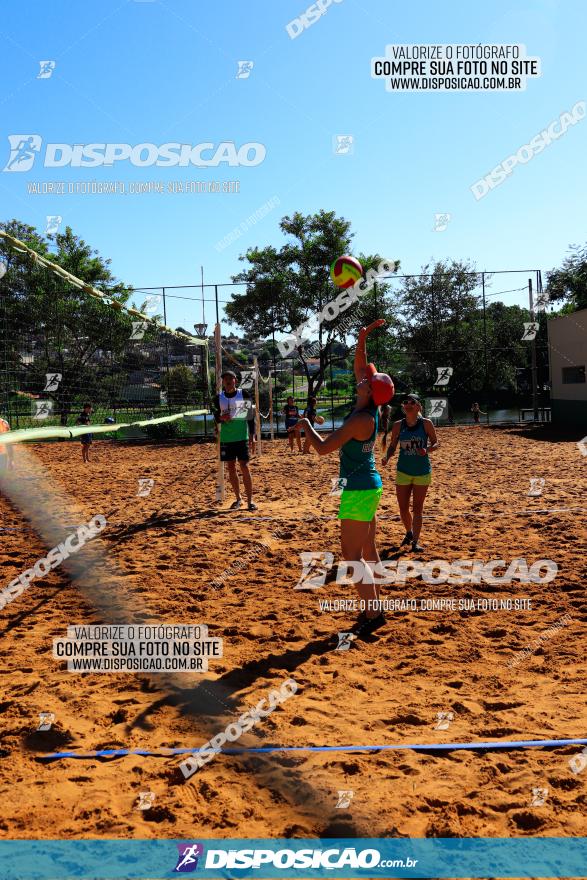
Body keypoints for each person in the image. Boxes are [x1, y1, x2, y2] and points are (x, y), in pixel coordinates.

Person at [288, 320, 394, 634]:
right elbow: (360, 366)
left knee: (351, 555)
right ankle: (374, 605)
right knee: (369, 550)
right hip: (368, 486)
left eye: (367, 379)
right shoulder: (369, 406)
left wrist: (306, 423)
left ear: (370, 390)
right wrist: (362, 338)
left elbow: (322, 449)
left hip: (359, 490)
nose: (362, 377)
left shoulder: (360, 419)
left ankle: (373, 615)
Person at [382, 394, 439, 553]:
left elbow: (436, 443)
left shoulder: (426, 423)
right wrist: (387, 457)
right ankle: (409, 532)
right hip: (403, 471)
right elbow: (393, 445)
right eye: (405, 402)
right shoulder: (398, 425)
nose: (407, 404)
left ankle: (415, 542)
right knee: (403, 507)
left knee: (418, 509)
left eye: (411, 402)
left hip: (422, 472)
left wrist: (426, 450)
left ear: (418, 406)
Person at [213, 371, 257, 511]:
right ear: (223, 382)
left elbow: (250, 417)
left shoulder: (243, 394)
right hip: (227, 438)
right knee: (231, 468)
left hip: (241, 437)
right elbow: (215, 415)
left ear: (235, 380)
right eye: (225, 379)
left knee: (244, 466)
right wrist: (221, 418)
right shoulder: (218, 398)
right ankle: (238, 499)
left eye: (230, 379)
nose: (227, 381)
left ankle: (250, 501)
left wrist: (252, 435)